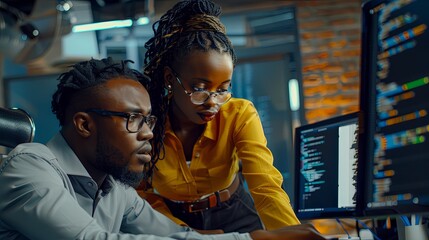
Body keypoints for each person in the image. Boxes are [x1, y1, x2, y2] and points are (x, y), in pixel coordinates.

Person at [0, 57, 325, 240]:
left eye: (150, 121)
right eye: (134, 120)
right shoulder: (28, 166)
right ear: (85, 124)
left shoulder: (116, 189)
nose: (148, 135)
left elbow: (182, 238)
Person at [139, 0, 300, 233]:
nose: (213, 102)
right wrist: (184, 233)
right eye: (200, 88)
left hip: (235, 213)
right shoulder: (147, 125)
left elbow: (265, 186)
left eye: (222, 89)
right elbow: (140, 193)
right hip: (172, 222)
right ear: (169, 79)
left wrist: (292, 235)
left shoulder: (239, 114)